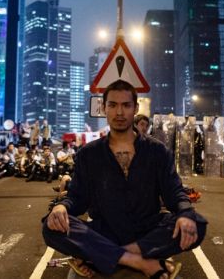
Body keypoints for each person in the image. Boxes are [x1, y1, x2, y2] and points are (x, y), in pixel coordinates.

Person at [43, 80, 207, 278]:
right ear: (104, 108)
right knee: (50, 227)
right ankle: (140, 261)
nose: (119, 112)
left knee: (196, 222)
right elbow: (77, 198)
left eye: (126, 105)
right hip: (105, 229)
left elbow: (174, 193)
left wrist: (184, 214)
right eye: (112, 105)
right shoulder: (89, 154)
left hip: (147, 230)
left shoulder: (157, 151)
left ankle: (107, 255)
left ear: (135, 109)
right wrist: (62, 207)